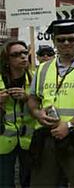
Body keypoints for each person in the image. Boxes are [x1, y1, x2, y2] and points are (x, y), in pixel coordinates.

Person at [27, 19, 74, 187]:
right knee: (43, 183)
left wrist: (69, 125)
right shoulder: (43, 68)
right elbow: (32, 98)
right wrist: (37, 113)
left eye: (71, 39)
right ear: (54, 41)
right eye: (61, 40)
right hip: (47, 136)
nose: (66, 43)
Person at [0, 41, 34, 187]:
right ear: (7, 60)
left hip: (29, 139)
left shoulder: (35, 78)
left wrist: (28, 98)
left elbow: (46, 103)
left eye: (25, 53)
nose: (22, 57)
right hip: (4, 140)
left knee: (29, 181)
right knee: (5, 181)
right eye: (16, 54)